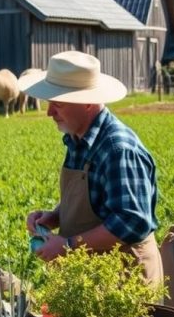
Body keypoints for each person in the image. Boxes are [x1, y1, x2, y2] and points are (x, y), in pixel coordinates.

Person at [19, 51, 162, 282]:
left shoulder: (118, 149)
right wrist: (54, 216)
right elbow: (96, 201)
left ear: (86, 102)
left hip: (125, 280)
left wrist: (67, 245)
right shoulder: (78, 138)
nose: (49, 112)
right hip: (91, 276)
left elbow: (131, 221)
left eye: (58, 103)